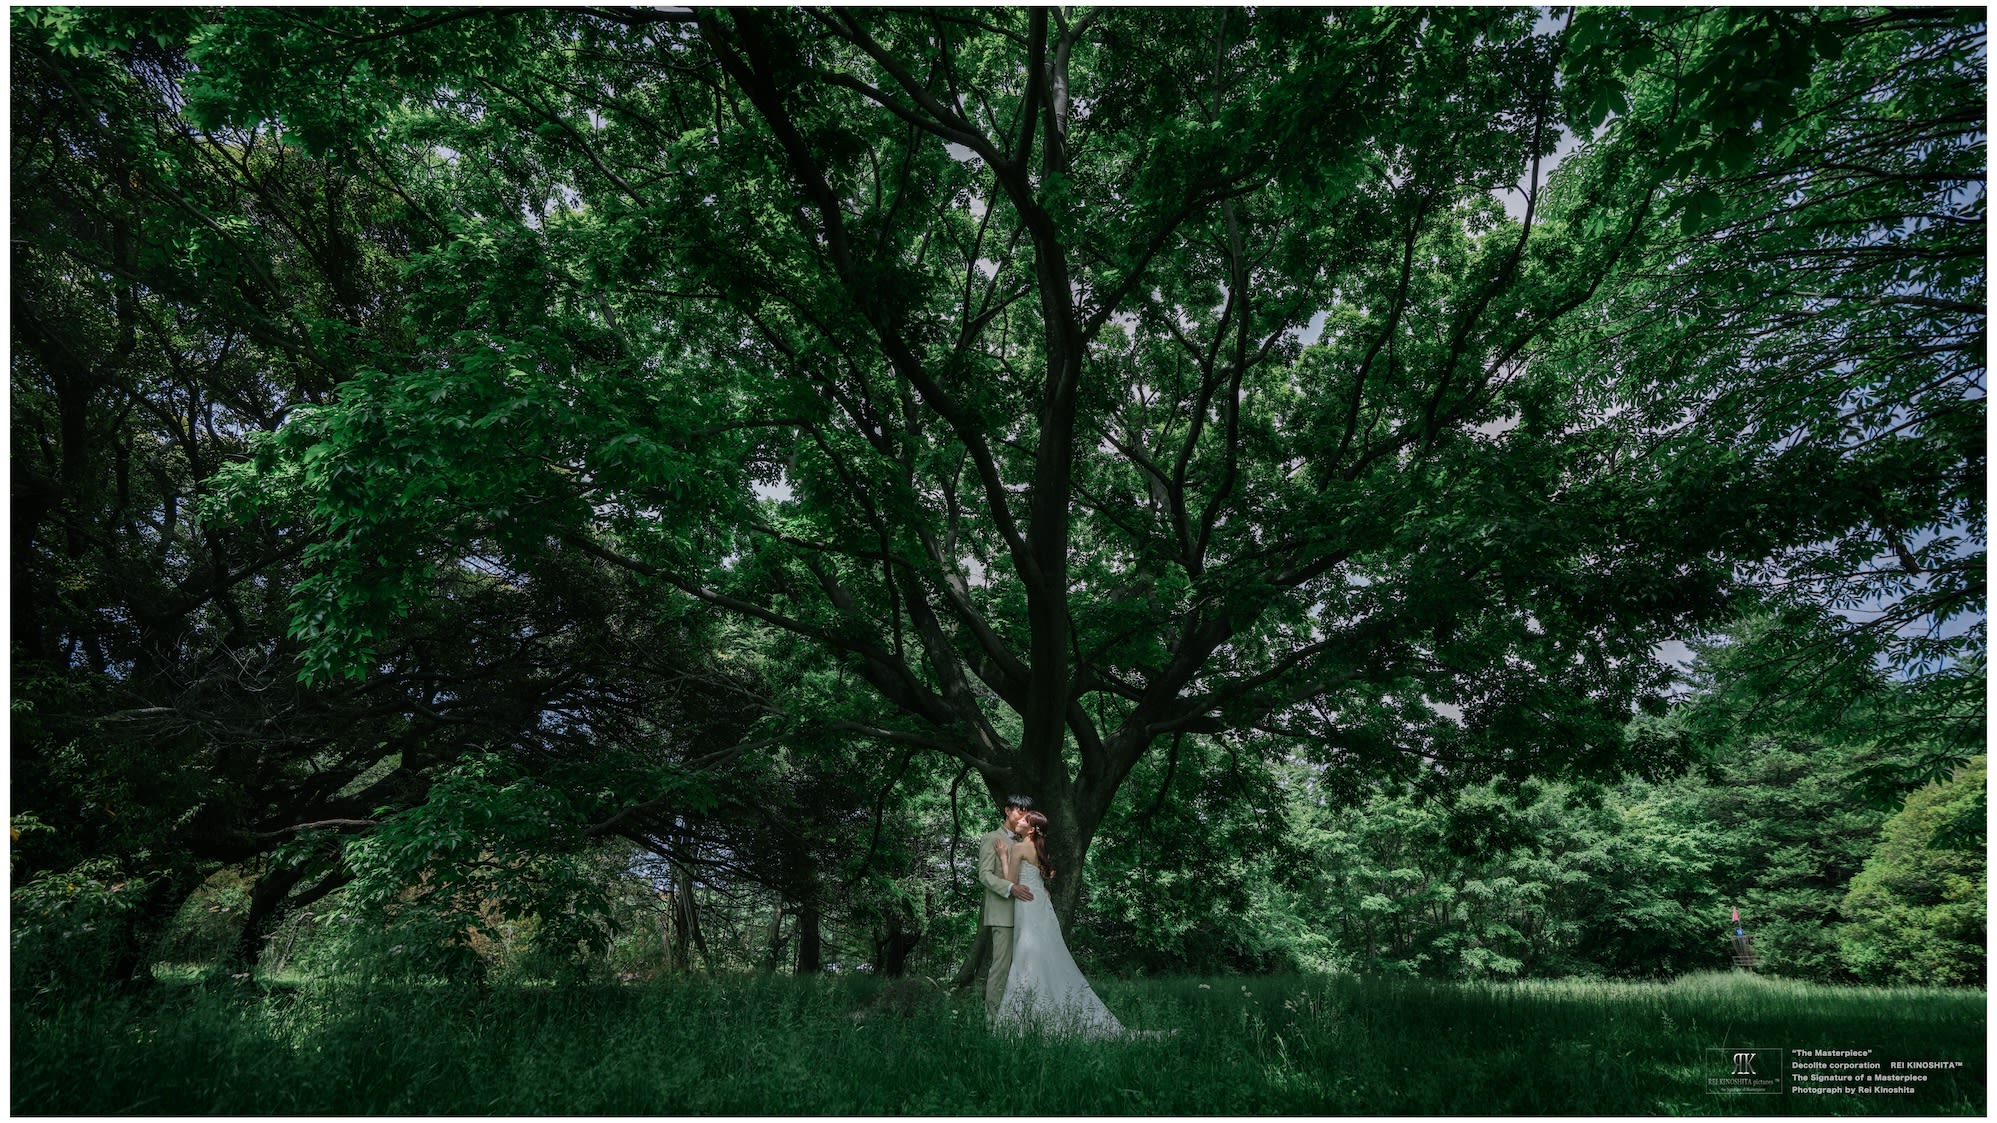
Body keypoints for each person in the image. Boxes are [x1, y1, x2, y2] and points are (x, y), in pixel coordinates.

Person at [991, 808, 1162, 1039]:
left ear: (1030, 829)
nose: (1019, 820)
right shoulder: (1039, 848)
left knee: (1027, 956)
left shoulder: (1019, 848)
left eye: (1023, 819)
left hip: (1027, 907)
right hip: (1040, 906)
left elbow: (1011, 882)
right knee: (1044, 955)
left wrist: (1003, 855)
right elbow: (1039, 878)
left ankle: (1027, 1021)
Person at [976, 795, 1036, 1023]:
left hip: (1027, 915)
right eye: (1019, 811)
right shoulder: (992, 838)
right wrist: (1011, 888)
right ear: (1007, 810)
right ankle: (992, 1022)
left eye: (1026, 813)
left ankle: (1017, 1020)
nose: (1022, 817)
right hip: (1003, 915)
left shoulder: (1026, 841)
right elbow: (984, 875)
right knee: (1001, 968)